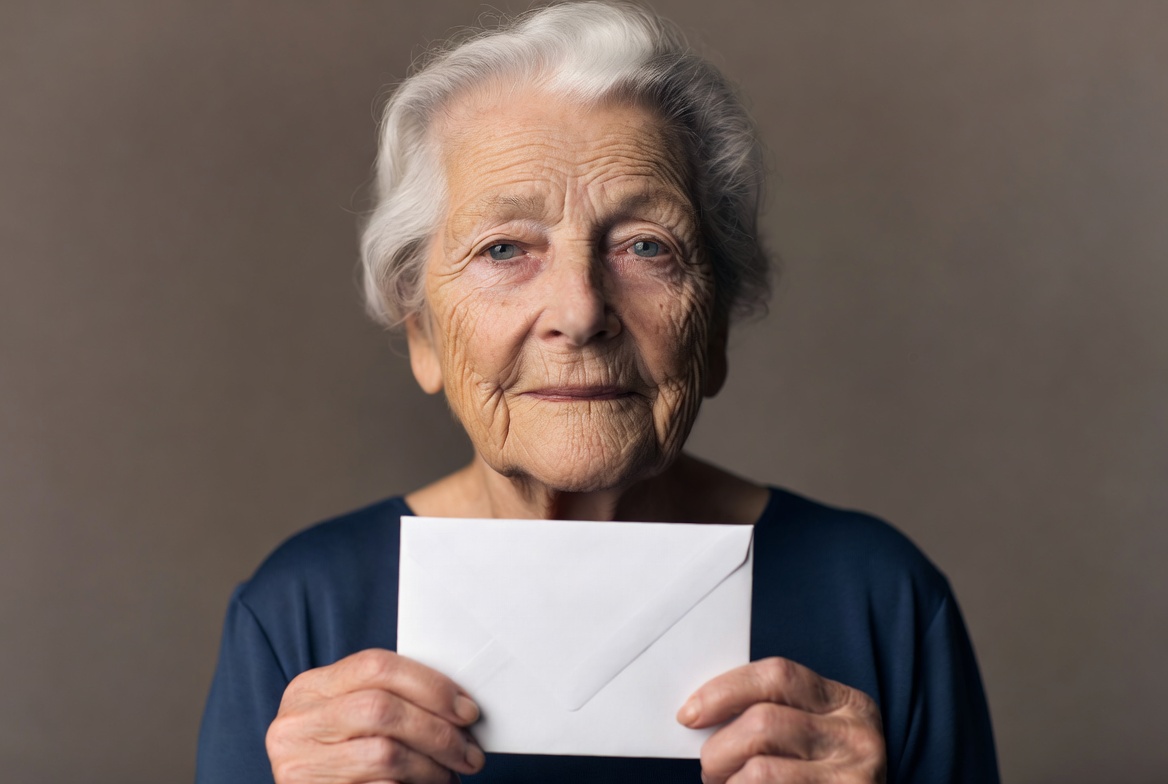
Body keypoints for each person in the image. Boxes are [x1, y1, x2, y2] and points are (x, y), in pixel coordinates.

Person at [195, 2, 999, 782]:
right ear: (424, 334)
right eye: (505, 248)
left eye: (647, 246)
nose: (580, 312)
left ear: (714, 328)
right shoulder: (301, 611)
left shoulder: (878, 597)